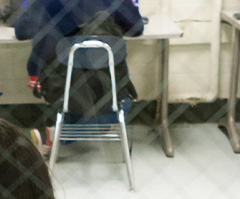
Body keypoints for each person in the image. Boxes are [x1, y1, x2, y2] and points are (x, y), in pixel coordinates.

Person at [14, 0, 145, 153]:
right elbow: (137, 28)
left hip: (60, 88)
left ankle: (57, 132)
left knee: (68, 78)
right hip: (108, 88)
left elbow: (21, 32)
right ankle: (68, 129)